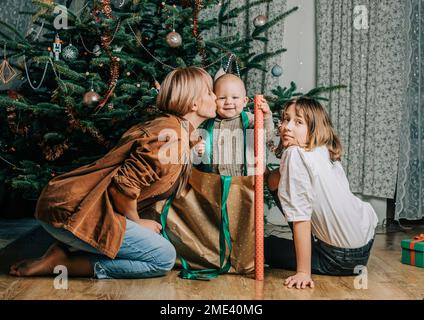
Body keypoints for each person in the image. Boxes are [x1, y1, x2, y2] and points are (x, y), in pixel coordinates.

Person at [9, 67, 217, 279]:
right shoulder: (172, 137)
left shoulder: (173, 130)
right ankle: (65, 263)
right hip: (70, 210)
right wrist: (137, 222)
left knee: (157, 242)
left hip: (67, 205)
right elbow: (123, 187)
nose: (216, 96)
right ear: (193, 103)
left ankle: (66, 250)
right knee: (163, 257)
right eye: (210, 92)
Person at [265, 97, 378, 289]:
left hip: (338, 257)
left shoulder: (294, 155)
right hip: (365, 242)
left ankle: (305, 258)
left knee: (261, 246)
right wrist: (268, 120)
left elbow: (300, 214)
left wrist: (303, 272)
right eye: (285, 119)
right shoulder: (321, 147)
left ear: (313, 129)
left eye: (298, 122)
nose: (286, 127)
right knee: (274, 179)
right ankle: (308, 246)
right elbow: (275, 176)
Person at [196, 73, 274, 176]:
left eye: (235, 97)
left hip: (241, 180)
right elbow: (199, 148)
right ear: (214, 100)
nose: (228, 101)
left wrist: (266, 117)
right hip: (213, 180)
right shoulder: (208, 122)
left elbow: (265, 136)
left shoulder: (249, 120)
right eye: (222, 98)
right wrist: (198, 149)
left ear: (244, 101)